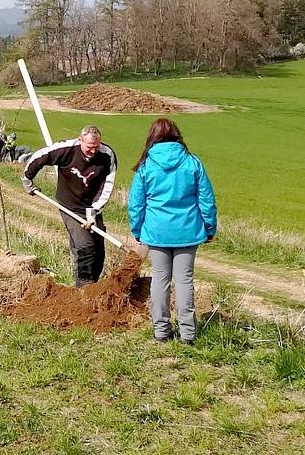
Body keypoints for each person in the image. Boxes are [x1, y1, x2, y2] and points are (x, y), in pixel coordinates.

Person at [128, 118, 217, 345]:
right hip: (188, 230)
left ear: (152, 136)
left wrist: (137, 230)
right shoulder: (192, 162)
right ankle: (188, 334)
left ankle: (161, 331)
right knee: (184, 280)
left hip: (156, 232)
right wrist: (209, 227)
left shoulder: (146, 165)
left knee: (160, 280)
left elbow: (136, 203)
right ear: (177, 135)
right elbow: (206, 198)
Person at [22, 125, 117, 287]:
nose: (93, 151)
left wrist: (94, 210)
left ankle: (95, 286)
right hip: (70, 206)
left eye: (96, 147)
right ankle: (84, 287)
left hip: (93, 207)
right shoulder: (65, 149)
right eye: (89, 147)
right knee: (85, 247)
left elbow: (107, 184)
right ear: (80, 140)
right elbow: (39, 157)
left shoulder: (107, 155)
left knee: (99, 252)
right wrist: (27, 179)